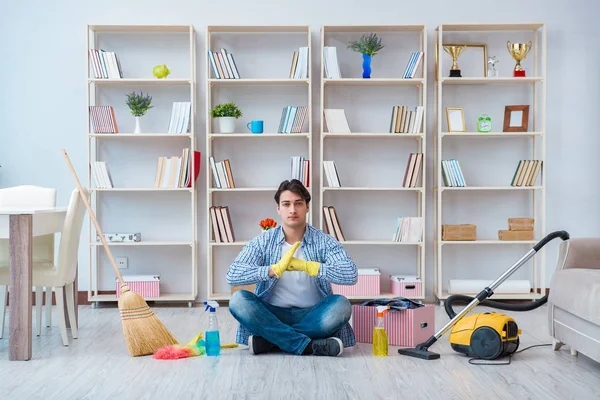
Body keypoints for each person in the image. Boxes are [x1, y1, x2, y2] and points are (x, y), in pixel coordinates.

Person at [226, 179, 358, 356]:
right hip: (272, 315)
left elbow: (350, 274)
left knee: (341, 305)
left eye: (298, 203)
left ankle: (272, 341)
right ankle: (309, 346)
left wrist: (309, 266)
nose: (293, 210)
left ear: (307, 207)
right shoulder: (263, 241)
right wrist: (272, 270)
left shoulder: (324, 241)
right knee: (238, 300)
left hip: (313, 314)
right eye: (286, 204)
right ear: (278, 209)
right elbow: (232, 275)